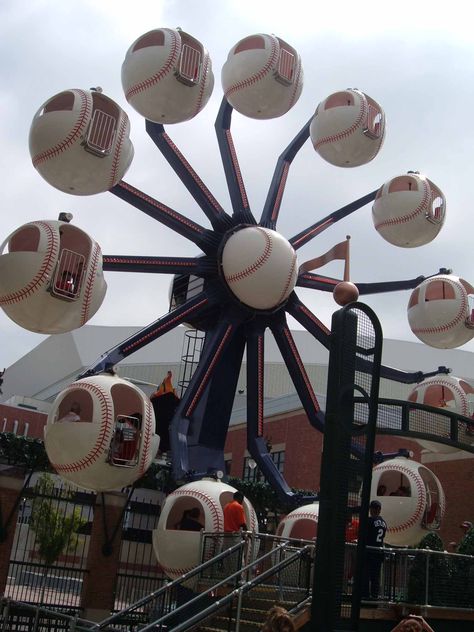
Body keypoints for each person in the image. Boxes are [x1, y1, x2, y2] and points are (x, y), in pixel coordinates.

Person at [362, 499, 387, 601]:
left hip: (369, 552)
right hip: (378, 552)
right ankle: (375, 598)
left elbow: (365, 536)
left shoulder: (369, 520)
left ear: (371, 509)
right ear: (379, 510)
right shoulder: (384, 523)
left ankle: (365, 597)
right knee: (375, 577)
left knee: (365, 576)